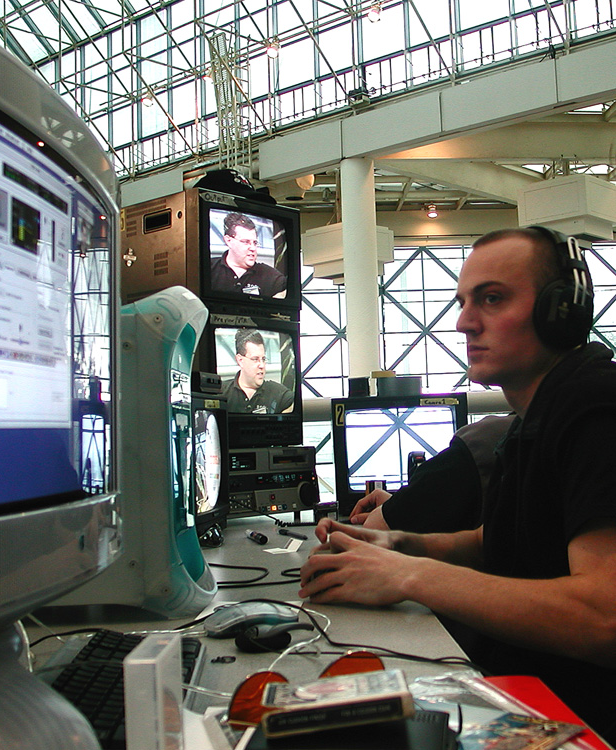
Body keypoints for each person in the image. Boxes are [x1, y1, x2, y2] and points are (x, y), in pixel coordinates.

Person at [299, 226, 616, 743]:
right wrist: (399, 544)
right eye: (463, 302)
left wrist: (409, 576)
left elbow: (604, 617)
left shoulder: (596, 410)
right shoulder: (536, 418)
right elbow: (503, 541)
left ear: (561, 311)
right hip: (523, 695)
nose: (463, 322)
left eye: (492, 299)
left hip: (580, 723)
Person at [350, 414, 515, 531]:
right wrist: (399, 504)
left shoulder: (481, 443)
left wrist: (395, 509)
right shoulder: (517, 431)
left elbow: (381, 526)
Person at [210, 212, 286, 297]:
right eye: (246, 242)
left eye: (255, 243)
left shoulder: (271, 277)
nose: (253, 248)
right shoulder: (209, 268)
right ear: (228, 241)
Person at [221, 328, 294, 414]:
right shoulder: (222, 392)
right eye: (255, 359)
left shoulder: (279, 394)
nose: (262, 365)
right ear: (240, 360)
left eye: (263, 359)